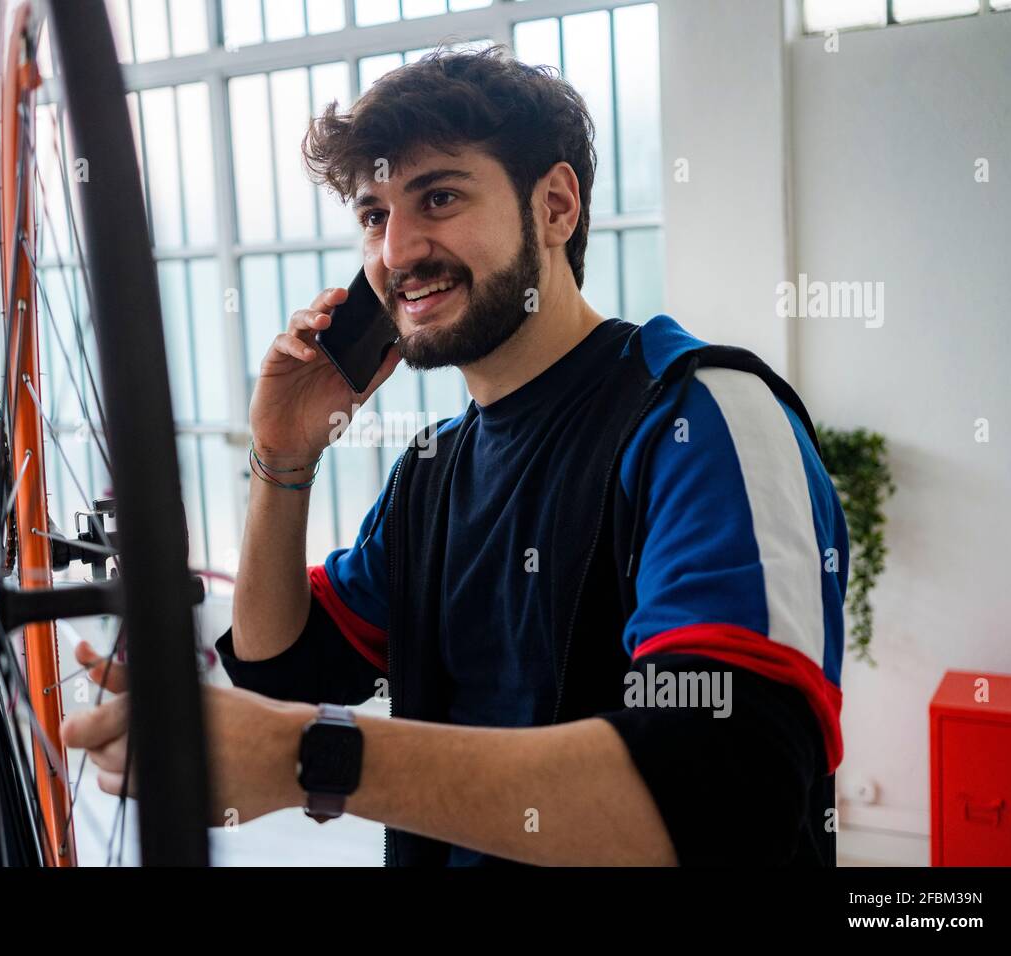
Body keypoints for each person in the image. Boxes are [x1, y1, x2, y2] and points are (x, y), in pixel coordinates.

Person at [62, 45, 848, 866]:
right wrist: (283, 457)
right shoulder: (433, 473)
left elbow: (729, 784)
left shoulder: (700, 417)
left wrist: (313, 757)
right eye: (373, 215)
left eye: (437, 197)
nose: (397, 252)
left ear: (554, 206)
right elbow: (283, 669)